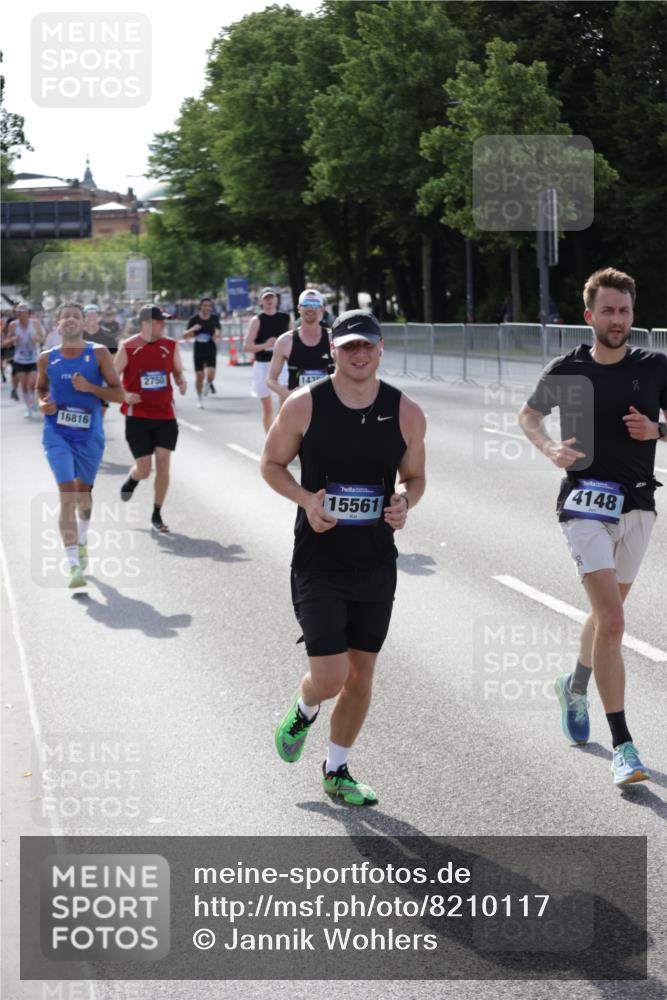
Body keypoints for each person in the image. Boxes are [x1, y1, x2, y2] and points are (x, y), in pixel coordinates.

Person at [261, 309, 426, 805]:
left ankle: (336, 770)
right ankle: (304, 708)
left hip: (376, 560)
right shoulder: (303, 406)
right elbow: (271, 465)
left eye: (367, 346)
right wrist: (307, 499)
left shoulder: (406, 411)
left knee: (361, 676)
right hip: (319, 561)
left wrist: (403, 503)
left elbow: (415, 478)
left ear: (380, 350)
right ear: (332, 349)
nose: (359, 354)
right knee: (330, 676)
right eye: (349, 346)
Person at [518, 267, 667, 787]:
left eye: (624, 310)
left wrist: (658, 429)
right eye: (608, 310)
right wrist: (550, 448)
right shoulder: (568, 368)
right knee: (615, 622)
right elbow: (529, 416)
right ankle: (624, 745)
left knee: (609, 617)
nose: (617, 319)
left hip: (640, 506)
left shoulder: (654, 367)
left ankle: (574, 686)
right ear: (589, 316)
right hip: (584, 504)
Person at [35, 301, 124, 588]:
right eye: (66, 317)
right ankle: (73, 564)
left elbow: (118, 394)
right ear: (57, 325)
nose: (71, 320)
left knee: (83, 496)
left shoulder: (97, 354)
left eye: (76, 316)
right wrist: (42, 403)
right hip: (57, 434)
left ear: (84, 323)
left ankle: (82, 537)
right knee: (68, 494)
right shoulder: (46, 358)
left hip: (89, 437)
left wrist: (90, 389)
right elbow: (40, 388)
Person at [114, 304, 187, 534]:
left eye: (164, 320)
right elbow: (112, 378)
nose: (163, 324)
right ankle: (134, 478)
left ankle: (157, 513)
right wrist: (125, 395)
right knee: (145, 469)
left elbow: (177, 371)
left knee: (164, 463)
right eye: (159, 321)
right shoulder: (128, 347)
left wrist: (181, 381)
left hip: (165, 414)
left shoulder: (170, 345)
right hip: (138, 417)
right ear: (145, 324)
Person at [267, 289, 334, 400]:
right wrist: (290, 395)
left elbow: (348, 371)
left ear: (322, 308)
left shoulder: (333, 338)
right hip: (299, 406)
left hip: (329, 401)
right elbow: (271, 379)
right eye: (306, 304)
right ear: (299, 308)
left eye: (315, 304)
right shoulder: (285, 341)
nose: (310, 308)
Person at [244, 287, 290, 432]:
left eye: (272, 297)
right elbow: (247, 347)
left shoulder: (285, 318)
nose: (269, 300)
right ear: (261, 301)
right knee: (268, 409)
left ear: (276, 299)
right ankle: (269, 440)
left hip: (282, 365)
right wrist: (266, 345)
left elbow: (293, 341)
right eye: (266, 298)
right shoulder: (257, 320)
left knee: (284, 406)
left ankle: (282, 440)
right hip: (263, 365)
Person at [6, 303, 44, 416]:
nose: (22, 314)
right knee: (24, 386)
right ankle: (29, 408)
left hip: (32, 359)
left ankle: (33, 402)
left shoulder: (35, 323)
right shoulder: (13, 325)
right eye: (19, 312)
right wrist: (13, 339)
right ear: (17, 313)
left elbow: (42, 338)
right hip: (19, 359)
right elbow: (6, 343)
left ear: (28, 313)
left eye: (24, 311)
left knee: (31, 384)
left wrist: (36, 339)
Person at [183, 297, 222, 407]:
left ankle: (208, 384)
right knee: (199, 375)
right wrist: (193, 329)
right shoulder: (194, 319)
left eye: (208, 306)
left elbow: (218, 329)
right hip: (199, 348)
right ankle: (199, 398)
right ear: (200, 307)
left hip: (210, 346)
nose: (206, 308)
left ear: (211, 307)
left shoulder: (214, 318)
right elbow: (185, 334)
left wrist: (217, 334)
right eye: (204, 305)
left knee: (211, 372)